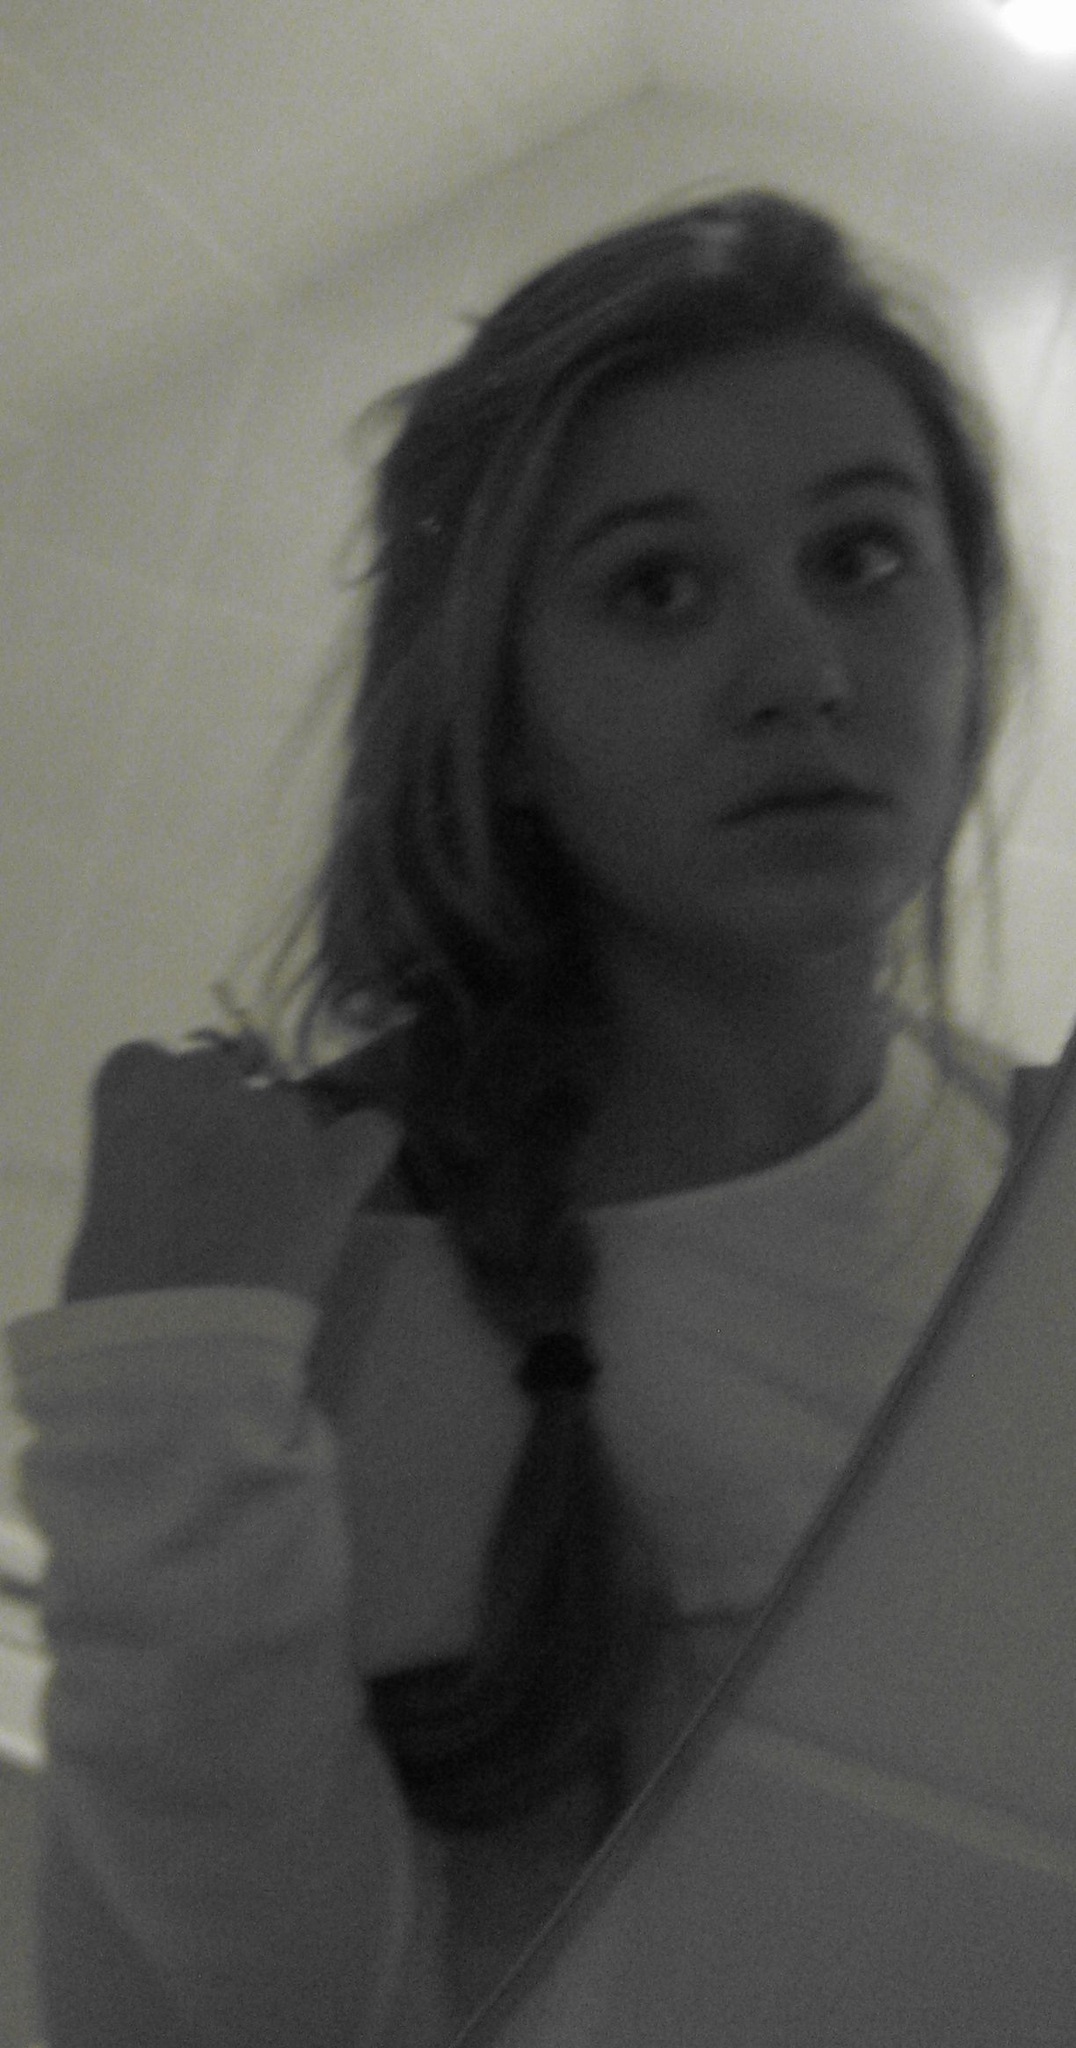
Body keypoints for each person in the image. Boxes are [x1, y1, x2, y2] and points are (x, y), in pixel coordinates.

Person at [8, 188, 1054, 2047]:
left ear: (975, 633)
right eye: (657, 590)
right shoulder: (344, 1294)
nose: (802, 673)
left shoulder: (1019, 1180)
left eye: (865, 558)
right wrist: (160, 1400)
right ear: (500, 719)